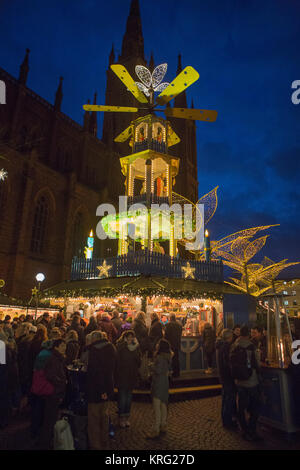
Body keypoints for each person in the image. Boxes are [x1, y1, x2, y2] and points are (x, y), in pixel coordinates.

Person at [229, 325, 262, 441]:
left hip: (238, 381)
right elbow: (257, 364)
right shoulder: (250, 346)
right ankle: (252, 429)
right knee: (255, 406)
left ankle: (244, 429)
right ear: (248, 334)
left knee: (241, 406)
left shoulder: (234, 345)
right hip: (251, 380)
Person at [86, 330, 117, 450]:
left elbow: (96, 372)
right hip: (108, 386)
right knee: (104, 416)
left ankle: (96, 445)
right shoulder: (111, 347)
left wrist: (101, 390)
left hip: (96, 389)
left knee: (94, 418)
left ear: (94, 339)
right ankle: (105, 443)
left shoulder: (94, 350)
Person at [38, 339, 67, 450]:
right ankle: (45, 442)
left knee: (51, 417)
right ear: (56, 347)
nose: (64, 347)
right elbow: (50, 375)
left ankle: (47, 440)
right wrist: (61, 382)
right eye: (62, 345)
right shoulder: (54, 359)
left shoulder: (57, 358)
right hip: (53, 393)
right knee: (50, 418)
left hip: (55, 392)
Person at [147, 339, 172, 439]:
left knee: (157, 405)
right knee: (163, 403)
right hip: (164, 381)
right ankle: (163, 424)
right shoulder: (168, 357)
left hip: (158, 382)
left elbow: (158, 370)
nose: (156, 345)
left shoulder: (160, 358)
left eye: (158, 344)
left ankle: (156, 429)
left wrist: (151, 366)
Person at [115, 330, 141, 428]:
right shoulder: (121, 347)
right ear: (125, 338)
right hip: (122, 375)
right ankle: (122, 417)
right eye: (128, 337)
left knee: (129, 397)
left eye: (132, 337)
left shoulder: (136, 349)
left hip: (131, 375)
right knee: (122, 397)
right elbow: (117, 361)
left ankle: (126, 416)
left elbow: (139, 361)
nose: (130, 339)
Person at [216, 329, 237, 429]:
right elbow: (228, 363)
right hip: (227, 376)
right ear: (230, 337)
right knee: (229, 398)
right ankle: (228, 421)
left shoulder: (220, 346)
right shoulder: (227, 347)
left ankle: (226, 419)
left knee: (226, 398)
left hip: (223, 376)